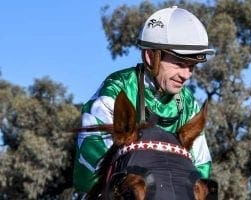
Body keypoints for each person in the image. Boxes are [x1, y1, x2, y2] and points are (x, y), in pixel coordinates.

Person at [73, 6, 214, 194]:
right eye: (180, 64)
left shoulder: (189, 105)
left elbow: (201, 169)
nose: (186, 75)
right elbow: (89, 173)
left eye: (192, 67)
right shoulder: (115, 91)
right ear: (151, 56)